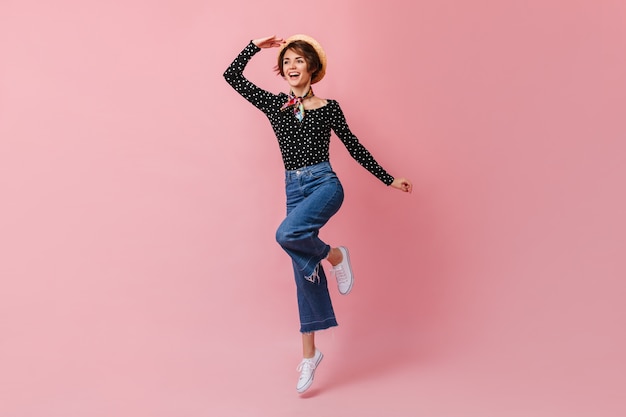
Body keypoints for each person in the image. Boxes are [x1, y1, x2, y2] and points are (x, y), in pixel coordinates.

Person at [223, 34, 413, 394]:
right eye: (287, 61)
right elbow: (232, 76)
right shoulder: (275, 104)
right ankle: (310, 355)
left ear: (312, 67)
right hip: (293, 190)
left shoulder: (329, 107)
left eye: (299, 60)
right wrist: (253, 46)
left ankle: (335, 255)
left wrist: (389, 179)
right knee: (302, 273)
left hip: (324, 183)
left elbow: (354, 146)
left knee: (286, 235)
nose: (292, 66)